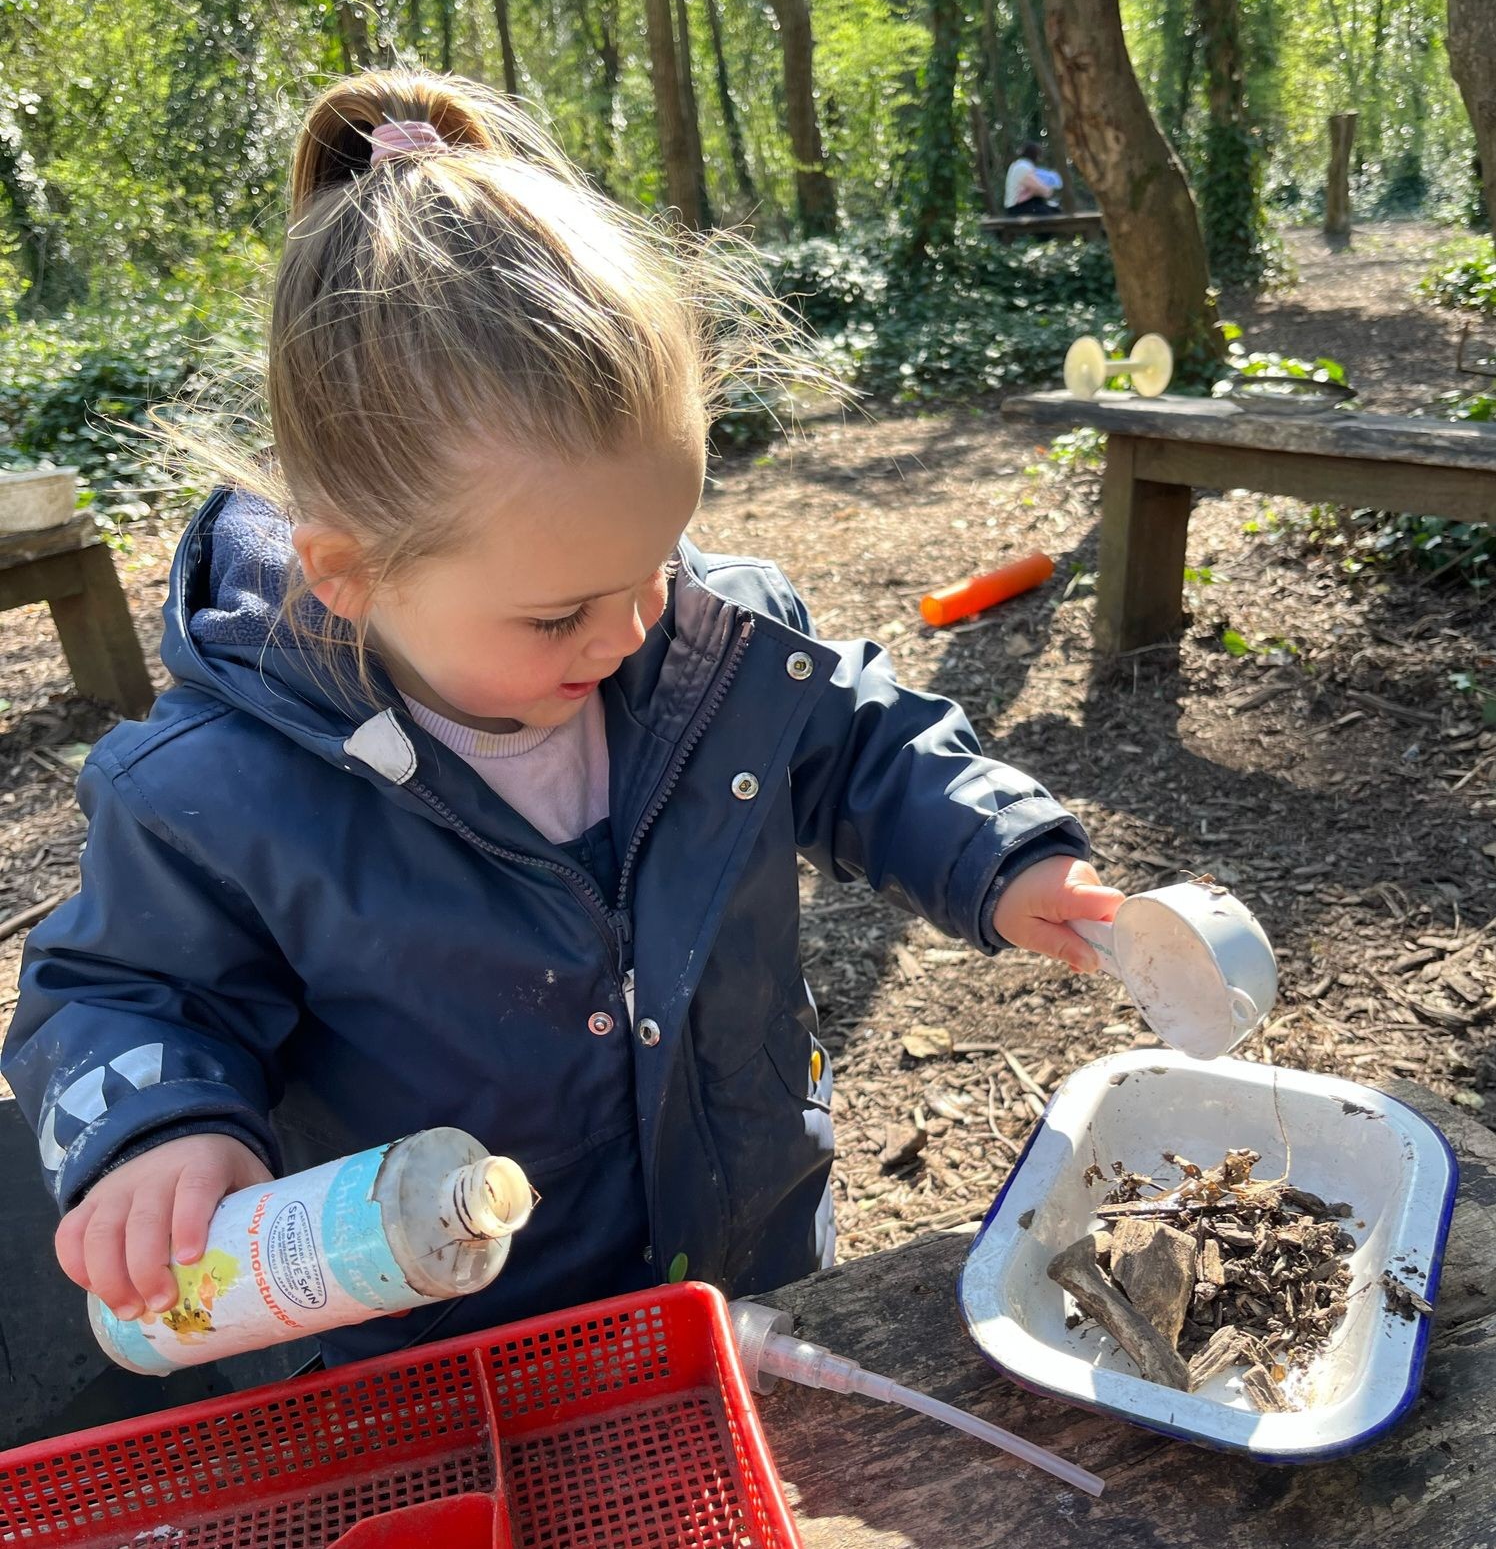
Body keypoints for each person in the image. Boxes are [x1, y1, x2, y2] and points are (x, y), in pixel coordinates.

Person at [1, 68, 1121, 1368]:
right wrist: (159, 1128)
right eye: (558, 616)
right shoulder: (216, 796)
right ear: (347, 572)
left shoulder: (720, 647)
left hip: (738, 1262)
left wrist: (999, 851)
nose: (633, 627)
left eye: (660, 558)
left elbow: (861, 742)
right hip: (448, 1344)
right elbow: (124, 989)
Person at [1004, 140, 1061, 217]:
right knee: (1051, 213)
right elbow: (1043, 190)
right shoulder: (1023, 167)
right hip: (1017, 208)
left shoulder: (1019, 165)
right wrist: (1046, 188)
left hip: (1019, 207)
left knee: (1054, 210)